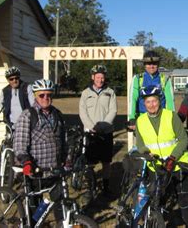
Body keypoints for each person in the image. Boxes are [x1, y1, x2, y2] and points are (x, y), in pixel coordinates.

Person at [135, 85, 188, 228]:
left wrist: (173, 157)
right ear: (144, 104)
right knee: (158, 200)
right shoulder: (140, 121)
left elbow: (183, 139)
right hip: (155, 166)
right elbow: (140, 144)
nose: (151, 105)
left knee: (183, 198)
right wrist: (145, 152)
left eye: (154, 101)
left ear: (160, 101)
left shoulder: (171, 116)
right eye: (148, 102)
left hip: (177, 164)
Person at [14, 79, 67, 222]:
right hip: (34, 171)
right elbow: (20, 144)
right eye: (41, 95)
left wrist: (67, 159)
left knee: (60, 205)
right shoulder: (28, 115)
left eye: (49, 95)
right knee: (34, 213)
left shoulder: (57, 114)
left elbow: (63, 141)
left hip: (54, 170)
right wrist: (26, 162)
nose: (46, 98)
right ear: (36, 96)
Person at [79, 64, 117, 195]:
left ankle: (106, 188)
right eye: (98, 77)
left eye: (102, 77)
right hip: (91, 133)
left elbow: (113, 110)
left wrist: (103, 126)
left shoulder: (110, 92)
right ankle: (90, 187)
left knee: (106, 162)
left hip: (106, 132)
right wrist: (91, 127)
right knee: (89, 163)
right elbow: (82, 112)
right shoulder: (85, 93)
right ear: (93, 77)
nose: (100, 80)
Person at [128, 50, 174, 129]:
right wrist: (131, 117)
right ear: (144, 65)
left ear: (158, 64)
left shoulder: (165, 79)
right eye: (149, 64)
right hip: (142, 118)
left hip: (161, 118)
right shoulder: (138, 78)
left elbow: (170, 101)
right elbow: (132, 99)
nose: (151, 66)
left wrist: (172, 118)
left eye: (154, 64)